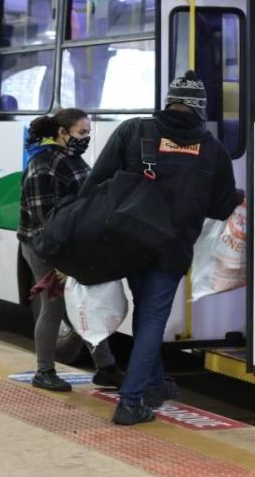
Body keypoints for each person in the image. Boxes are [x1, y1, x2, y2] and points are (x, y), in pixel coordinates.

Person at [82, 71, 241, 426]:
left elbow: (96, 182)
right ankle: (131, 400)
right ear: (200, 108)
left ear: (168, 102)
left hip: (128, 241)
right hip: (171, 247)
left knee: (145, 312)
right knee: (153, 317)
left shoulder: (134, 131)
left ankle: (152, 385)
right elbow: (220, 207)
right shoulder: (213, 149)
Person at [17, 109, 123, 392]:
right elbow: (44, 219)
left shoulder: (69, 158)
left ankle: (106, 368)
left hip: (70, 244)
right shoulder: (43, 164)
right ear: (61, 133)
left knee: (84, 303)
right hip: (45, 246)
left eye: (87, 133)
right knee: (54, 305)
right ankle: (44, 371)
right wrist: (61, 261)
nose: (85, 139)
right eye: (81, 132)